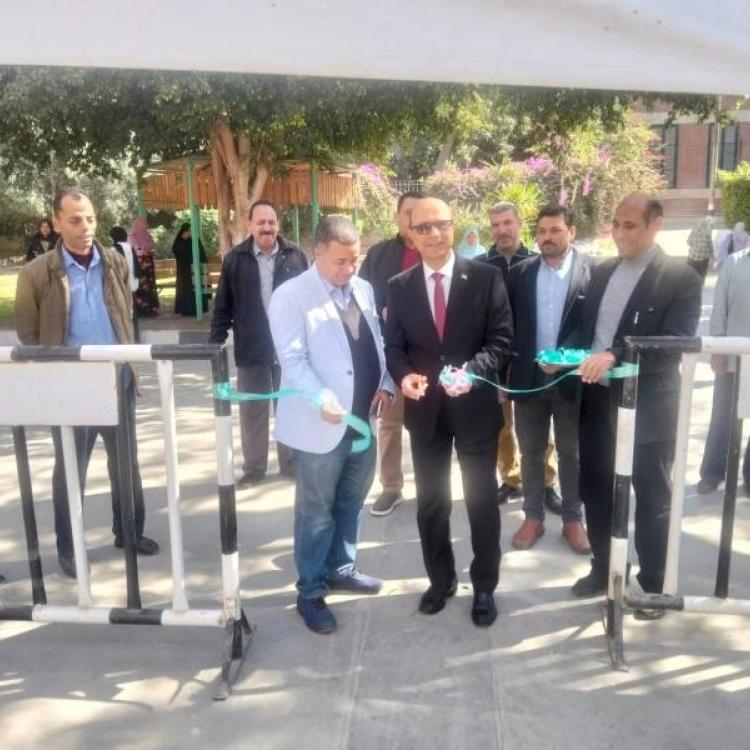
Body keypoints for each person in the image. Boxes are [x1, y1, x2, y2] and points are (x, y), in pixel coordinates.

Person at [15, 187, 160, 578]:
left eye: (90, 218)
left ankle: (129, 532)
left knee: (125, 463)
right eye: (75, 220)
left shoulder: (114, 262)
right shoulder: (36, 273)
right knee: (70, 468)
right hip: (70, 387)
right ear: (57, 222)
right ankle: (69, 547)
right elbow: (28, 332)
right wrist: (53, 374)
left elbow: (124, 314)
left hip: (117, 379)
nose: (85, 227)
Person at [385, 197, 513, 627]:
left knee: (481, 502)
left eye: (441, 224)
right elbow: (394, 348)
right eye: (424, 227)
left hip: (474, 409)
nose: (434, 234)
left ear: (454, 226)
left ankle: (484, 585)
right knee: (431, 503)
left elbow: (501, 340)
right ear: (411, 234)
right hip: (426, 414)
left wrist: (472, 372)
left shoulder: (486, 278)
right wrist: (404, 376)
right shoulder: (399, 286)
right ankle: (440, 581)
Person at [571, 194, 701, 614]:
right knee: (595, 488)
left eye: (630, 225)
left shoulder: (681, 278)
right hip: (596, 401)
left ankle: (653, 584)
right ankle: (606, 569)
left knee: (651, 495)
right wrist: (563, 358)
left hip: (648, 407)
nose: (619, 233)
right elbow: (587, 333)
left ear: (655, 225)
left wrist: (616, 355)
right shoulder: (601, 271)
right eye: (615, 224)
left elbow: (674, 345)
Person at [269, 215, 393, 634]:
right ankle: (310, 591)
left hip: (363, 420)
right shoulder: (291, 296)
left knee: (351, 501)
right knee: (316, 513)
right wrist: (319, 396)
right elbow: (293, 359)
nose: (349, 269)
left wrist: (386, 382)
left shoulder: (363, 289)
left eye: (354, 260)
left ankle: (342, 567)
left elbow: (376, 342)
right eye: (340, 261)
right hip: (319, 425)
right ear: (317, 252)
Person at [506, 205, 592, 554]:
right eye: (542, 231)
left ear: (571, 231)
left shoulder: (592, 271)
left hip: (572, 381)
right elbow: (509, 327)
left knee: (572, 452)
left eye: (555, 230)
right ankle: (533, 517)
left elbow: (594, 327)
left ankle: (573, 520)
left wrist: (570, 361)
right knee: (530, 451)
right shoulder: (521, 272)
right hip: (529, 379)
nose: (547, 237)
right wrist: (505, 377)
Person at [211, 200, 308, 485]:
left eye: (271, 222)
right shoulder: (235, 259)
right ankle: (254, 468)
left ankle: (292, 464)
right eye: (261, 222)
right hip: (251, 348)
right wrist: (214, 345)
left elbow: (311, 300)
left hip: (290, 350)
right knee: (253, 410)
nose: (267, 227)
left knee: (290, 408)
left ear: (278, 225)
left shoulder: (296, 256)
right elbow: (223, 306)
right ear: (250, 225)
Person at [483, 202, 562, 512]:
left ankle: (546, 482)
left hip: (532, 359)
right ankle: (511, 478)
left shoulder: (536, 262)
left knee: (540, 427)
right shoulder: (481, 266)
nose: (502, 230)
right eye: (496, 225)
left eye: (507, 222)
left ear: (519, 224)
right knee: (501, 426)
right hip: (497, 358)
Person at [359, 191, 423, 515]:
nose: (412, 219)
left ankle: (431, 486)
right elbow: (359, 294)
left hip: (428, 354)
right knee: (390, 424)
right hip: (392, 352)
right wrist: (380, 310)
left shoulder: (436, 250)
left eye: (417, 212)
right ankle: (391, 487)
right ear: (397, 217)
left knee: (430, 426)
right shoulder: (380, 254)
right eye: (406, 212)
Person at [697, 244, 750, 496]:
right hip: (732, 357)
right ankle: (712, 473)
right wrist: (717, 348)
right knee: (722, 417)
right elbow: (719, 308)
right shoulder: (734, 262)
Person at [109, 225, 141, 341]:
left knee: (123, 314)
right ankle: (136, 338)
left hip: (121, 286)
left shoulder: (113, 250)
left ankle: (126, 339)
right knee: (133, 313)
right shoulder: (130, 247)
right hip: (133, 284)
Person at [172, 222, 208, 316]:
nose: (189, 233)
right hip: (184, 271)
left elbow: (202, 256)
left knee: (196, 286)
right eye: (188, 231)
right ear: (183, 232)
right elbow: (176, 251)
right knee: (185, 288)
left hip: (195, 270)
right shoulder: (179, 242)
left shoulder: (195, 241)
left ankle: (198, 308)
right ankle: (186, 309)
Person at [128, 217, 160, 316]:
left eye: (146, 224)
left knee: (150, 285)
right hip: (139, 264)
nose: (145, 226)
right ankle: (141, 309)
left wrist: (148, 251)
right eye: (143, 224)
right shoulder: (132, 236)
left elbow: (152, 246)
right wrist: (143, 251)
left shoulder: (148, 236)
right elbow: (134, 249)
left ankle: (151, 308)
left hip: (148, 263)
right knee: (141, 285)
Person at [686, 213, 715, 281]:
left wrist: (694, 245)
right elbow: (710, 247)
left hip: (692, 257)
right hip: (703, 260)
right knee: (702, 274)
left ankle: (690, 283)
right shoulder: (707, 235)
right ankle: (700, 283)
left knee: (690, 273)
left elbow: (688, 242)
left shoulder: (694, 231)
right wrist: (712, 255)